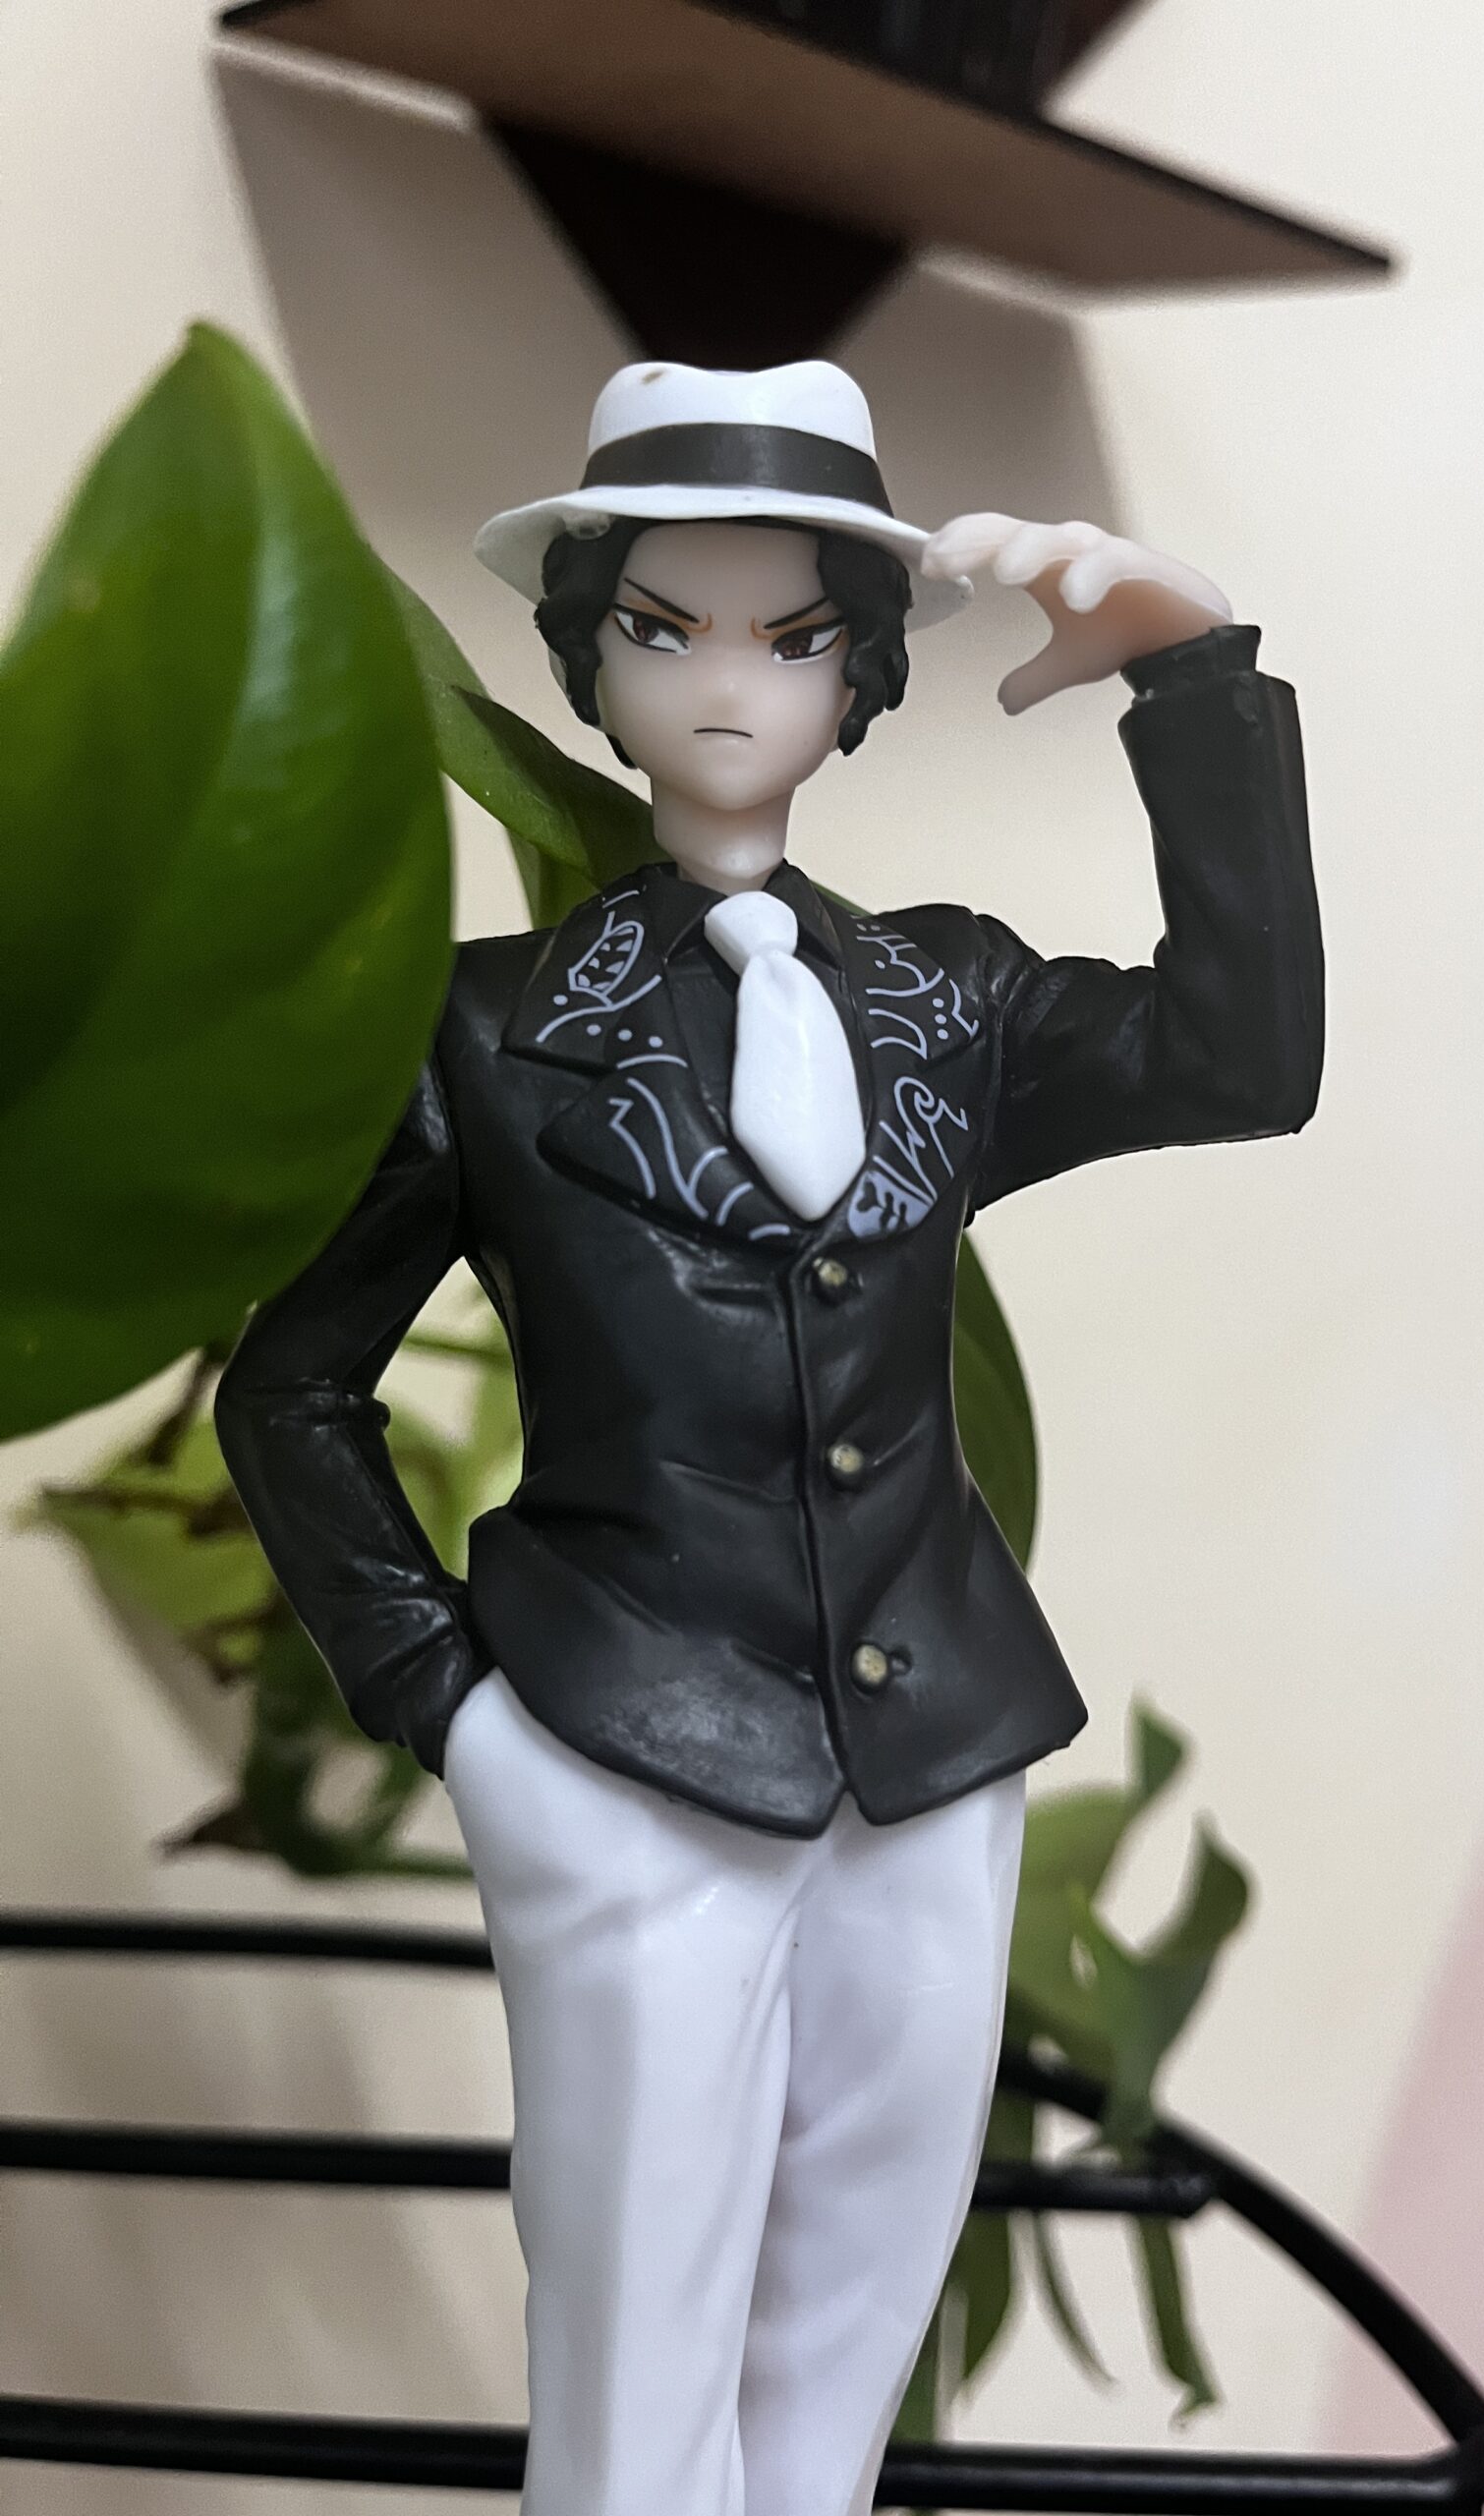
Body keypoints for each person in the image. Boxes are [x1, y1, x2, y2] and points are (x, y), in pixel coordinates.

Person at [215, 357, 1323, 2516]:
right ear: (594, 658)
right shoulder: (488, 1030)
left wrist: (1191, 687)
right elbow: (295, 1386)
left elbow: (1240, 1053)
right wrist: (462, 1716)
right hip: (622, 1748)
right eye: (668, 625)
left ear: (861, 677)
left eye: (793, 635)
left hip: (934, 1749)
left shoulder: (946, 1001)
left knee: (847, 2339)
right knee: (637, 2360)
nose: (730, 681)